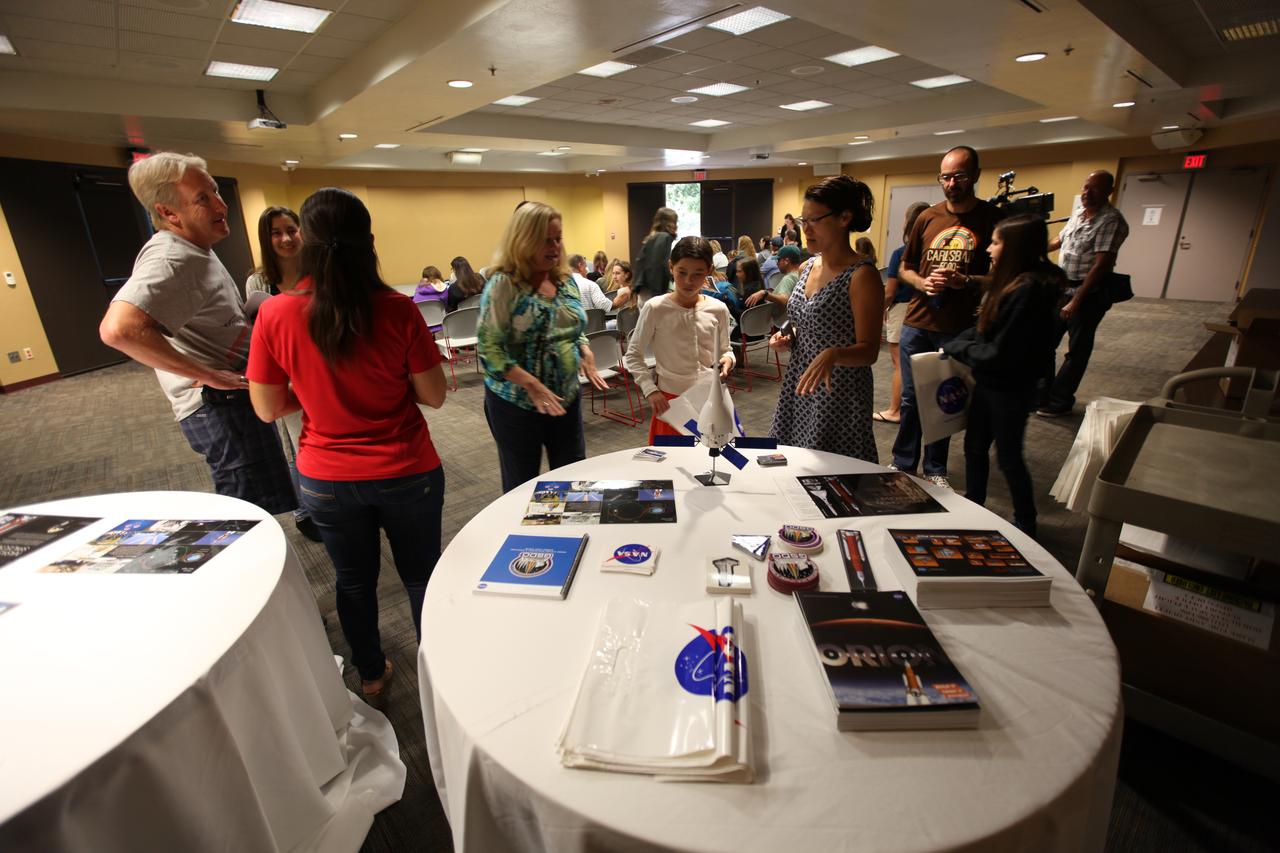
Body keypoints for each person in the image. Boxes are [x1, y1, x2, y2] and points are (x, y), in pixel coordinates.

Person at [247, 187, 447, 707]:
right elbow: (435, 395)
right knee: (423, 576)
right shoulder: (399, 309)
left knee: (353, 581)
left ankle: (371, 673)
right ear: (370, 242)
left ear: (305, 243)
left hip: (328, 477)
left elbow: (267, 407)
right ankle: (438, 664)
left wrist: (317, 394)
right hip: (408, 470)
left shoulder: (274, 314)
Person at [99, 152, 296, 519]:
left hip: (232, 400)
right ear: (170, 213)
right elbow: (118, 329)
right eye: (202, 199)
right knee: (244, 515)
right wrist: (207, 374)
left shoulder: (196, 248)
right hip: (218, 408)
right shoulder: (174, 258)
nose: (221, 205)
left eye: (215, 191)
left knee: (259, 506)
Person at [890, 145, 1002, 488]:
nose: (951, 183)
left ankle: (935, 468)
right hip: (917, 323)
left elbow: (1002, 276)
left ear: (976, 176)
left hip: (958, 327)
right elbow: (905, 267)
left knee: (942, 401)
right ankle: (903, 461)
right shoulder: (928, 217)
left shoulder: (990, 218)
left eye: (959, 176)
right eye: (946, 177)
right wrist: (922, 282)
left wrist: (965, 280)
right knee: (911, 399)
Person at [944, 216, 1063, 537]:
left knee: (1009, 456)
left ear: (1014, 248)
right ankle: (975, 504)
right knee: (974, 446)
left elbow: (999, 352)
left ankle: (1026, 520)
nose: (989, 248)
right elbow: (987, 331)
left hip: (1009, 388)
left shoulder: (1028, 291)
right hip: (990, 383)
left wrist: (958, 347)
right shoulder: (1014, 281)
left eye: (996, 242)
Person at [477, 202, 608, 493]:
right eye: (545, 240)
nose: (554, 246)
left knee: (573, 478)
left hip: (566, 395)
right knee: (522, 486)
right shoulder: (504, 285)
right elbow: (489, 350)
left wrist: (584, 349)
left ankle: (574, 536)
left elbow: (571, 327)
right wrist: (531, 383)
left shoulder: (565, 280)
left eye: (558, 238)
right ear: (523, 240)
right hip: (517, 403)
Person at [769, 176, 884, 462]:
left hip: (839, 393)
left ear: (844, 218)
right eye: (802, 220)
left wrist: (833, 355)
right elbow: (806, 323)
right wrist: (788, 336)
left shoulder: (861, 276)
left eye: (814, 220)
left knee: (831, 473)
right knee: (793, 465)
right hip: (801, 383)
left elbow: (869, 351)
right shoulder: (808, 266)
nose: (804, 229)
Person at [245, 206, 321, 541]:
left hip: (321, 372)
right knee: (296, 445)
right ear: (267, 238)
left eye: (291, 229)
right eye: (276, 232)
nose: (286, 238)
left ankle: (331, 502)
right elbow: (260, 333)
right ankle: (305, 509)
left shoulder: (320, 272)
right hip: (285, 376)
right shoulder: (259, 281)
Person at [623, 236, 734, 444]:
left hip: (710, 398)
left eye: (697, 274)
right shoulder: (655, 308)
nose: (688, 281)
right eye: (682, 273)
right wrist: (650, 390)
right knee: (672, 466)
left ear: (709, 271)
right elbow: (633, 355)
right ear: (671, 267)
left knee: (713, 459)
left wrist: (728, 359)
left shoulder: (718, 309)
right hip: (671, 402)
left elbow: (726, 349)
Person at [1037, 170, 1129, 417]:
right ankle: (1042, 394)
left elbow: (1102, 264)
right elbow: (1060, 240)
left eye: (1095, 189)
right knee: (1044, 341)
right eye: (1085, 187)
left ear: (1108, 191)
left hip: (1088, 293)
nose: (1087, 193)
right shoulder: (1078, 214)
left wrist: (1077, 300)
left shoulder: (1111, 220)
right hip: (1062, 287)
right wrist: (1033, 248)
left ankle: (1060, 400)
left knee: (1077, 349)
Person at [874, 202, 931, 426]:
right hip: (924, 310)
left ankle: (895, 410)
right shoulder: (930, 253)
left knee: (900, 364)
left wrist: (880, 312)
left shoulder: (902, 253)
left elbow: (890, 292)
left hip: (902, 309)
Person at [632, 207, 678, 304]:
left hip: (644, 290)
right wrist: (659, 295)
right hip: (653, 291)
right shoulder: (664, 238)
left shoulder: (651, 238)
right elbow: (656, 266)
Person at [745, 244, 803, 309]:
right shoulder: (802, 275)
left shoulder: (788, 278)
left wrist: (765, 294)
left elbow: (784, 300)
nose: (777, 263)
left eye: (778, 260)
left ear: (786, 261)